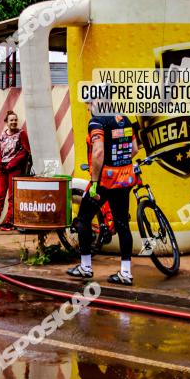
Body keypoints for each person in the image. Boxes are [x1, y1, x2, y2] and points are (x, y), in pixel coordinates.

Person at [67, 111, 139, 286]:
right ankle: (126, 272)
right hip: (125, 179)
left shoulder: (97, 122)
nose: (89, 107)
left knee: (83, 219)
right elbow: (135, 149)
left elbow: (98, 152)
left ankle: (85, 266)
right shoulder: (126, 119)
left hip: (104, 181)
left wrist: (94, 183)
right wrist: (119, 164)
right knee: (122, 224)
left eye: (91, 102)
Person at [0, 111, 31, 230]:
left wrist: (11, 164)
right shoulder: (2, 135)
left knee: (12, 196)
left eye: (15, 120)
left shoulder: (22, 134)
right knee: (0, 195)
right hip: (2, 169)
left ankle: (9, 221)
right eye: (11, 120)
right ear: (7, 122)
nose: (14, 122)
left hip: (14, 169)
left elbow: (25, 151)